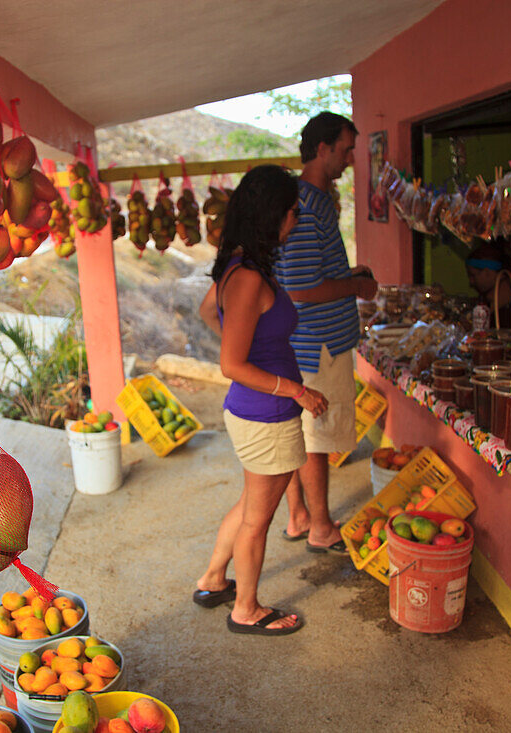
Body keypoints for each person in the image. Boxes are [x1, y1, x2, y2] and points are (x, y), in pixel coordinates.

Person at [193, 165, 328, 636]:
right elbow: (232, 364)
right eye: (292, 210)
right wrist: (297, 390)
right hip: (267, 414)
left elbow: (208, 311)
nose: (295, 218)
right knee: (258, 520)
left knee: (252, 503)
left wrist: (242, 341)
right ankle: (245, 609)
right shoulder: (249, 276)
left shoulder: (237, 261)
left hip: (254, 411)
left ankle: (213, 579)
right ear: (273, 214)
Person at [274, 112, 379, 553]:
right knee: (315, 440)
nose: (350, 159)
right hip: (318, 345)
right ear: (322, 150)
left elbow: (310, 274)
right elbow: (300, 289)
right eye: (345, 149)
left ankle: (300, 518)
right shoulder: (305, 205)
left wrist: (347, 273)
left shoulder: (310, 200)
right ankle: (320, 527)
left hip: (312, 341)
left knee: (301, 434)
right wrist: (355, 285)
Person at [464, 242, 511, 330]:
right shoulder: (500, 289)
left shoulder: (506, 293)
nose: (471, 282)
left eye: (473, 275)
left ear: (488, 272)